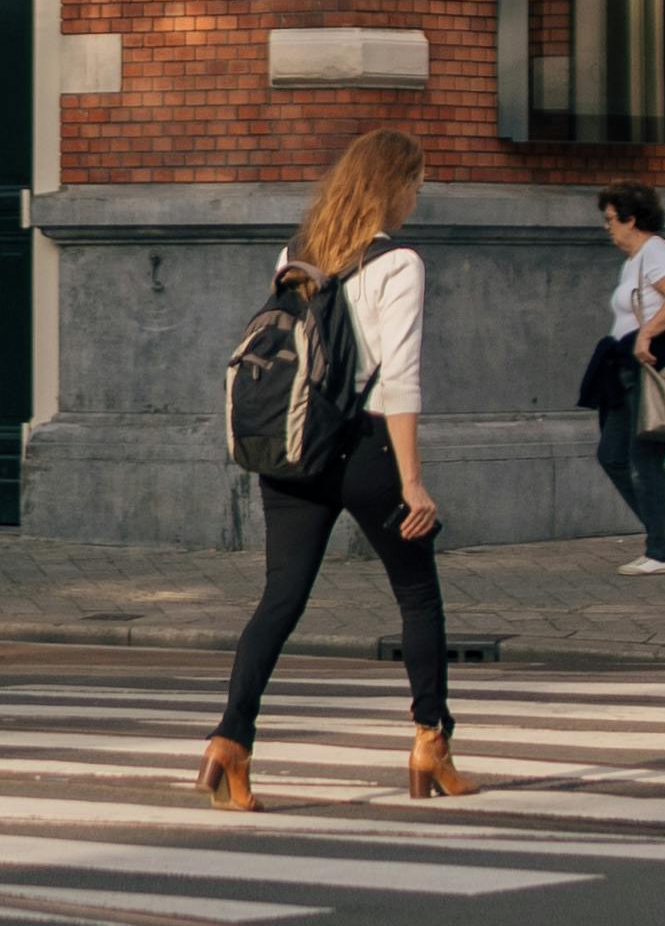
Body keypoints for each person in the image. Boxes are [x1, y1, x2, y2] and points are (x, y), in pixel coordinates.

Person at [196, 127, 474, 810]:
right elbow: (399, 379)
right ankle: (429, 744)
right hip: (367, 449)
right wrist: (412, 480)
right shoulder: (398, 263)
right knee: (417, 593)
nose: (417, 195)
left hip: (292, 452)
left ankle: (231, 741)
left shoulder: (296, 254)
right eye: (416, 182)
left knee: (280, 599)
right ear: (394, 185)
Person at [582, 181, 665, 574]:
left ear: (632, 219)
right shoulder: (635, 261)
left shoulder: (656, 251)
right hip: (625, 371)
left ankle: (664, 552)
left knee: (644, 458)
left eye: (611, 219)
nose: (607, 227)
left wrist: (646, 333)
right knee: (612, 455)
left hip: (648, 369)